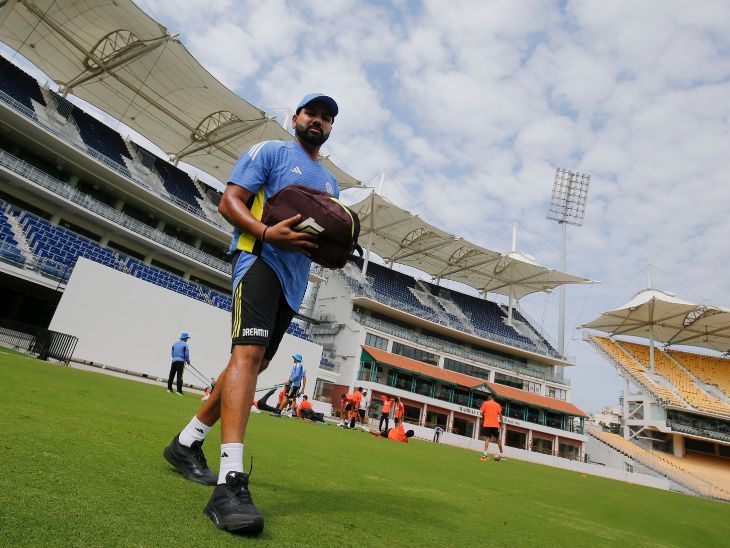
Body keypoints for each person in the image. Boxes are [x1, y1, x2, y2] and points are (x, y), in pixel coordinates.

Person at [162, 93, 340, 535]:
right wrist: (264, 231)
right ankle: (230, 481)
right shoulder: (270, 151)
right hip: (258, 258)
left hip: (294, 282)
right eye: (311, 113)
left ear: (331, 127)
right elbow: (230, 202)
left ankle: (186, 443)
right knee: (247, 356)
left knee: (253, 362)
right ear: (294, 117)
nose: (317, 121)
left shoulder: (332, 183)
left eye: (326, 117)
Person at [479, 394, 504, 461]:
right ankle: (502, 455)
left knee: (487, 438)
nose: (487, 398)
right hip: (495, 425)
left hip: (487, 424)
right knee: (498, 438)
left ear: (491, 397)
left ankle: (485, 454)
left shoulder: (485, 403)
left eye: (488, 397)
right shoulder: (497, 405)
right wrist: (502, 424)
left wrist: (484, 419)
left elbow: (482, 413)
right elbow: (501, 415)